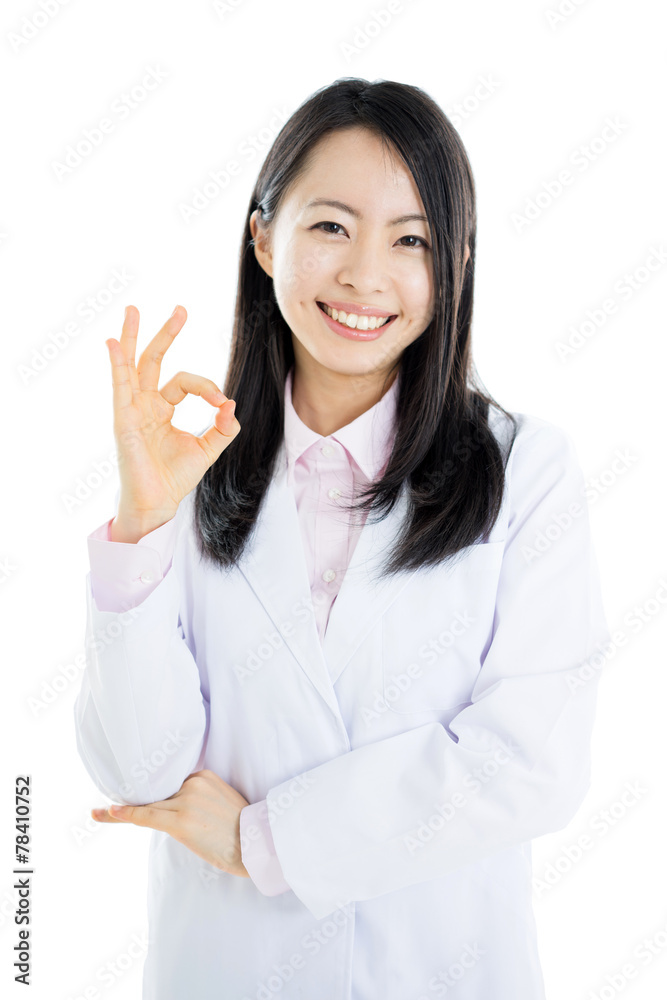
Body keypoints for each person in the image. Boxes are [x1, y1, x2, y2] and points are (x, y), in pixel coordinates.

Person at [73, 77, 610, 1000]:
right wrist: (143, 525)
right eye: (330, 226)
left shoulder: (524, 471)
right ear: (262, 236)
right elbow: (139, 770)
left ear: (456, 264)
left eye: (411, 241)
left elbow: (531, 763)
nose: (365, 275)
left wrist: (266, 841)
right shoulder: (185, 469)